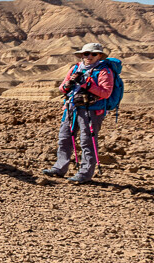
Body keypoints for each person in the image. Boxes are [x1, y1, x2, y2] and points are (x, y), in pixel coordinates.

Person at [42, 42, 117, 184]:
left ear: (99, 56)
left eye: (93, 54)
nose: (89, 56)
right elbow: (62, 88)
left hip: (92, 111)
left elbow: (106, 93)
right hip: (71, 108)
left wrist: (86, 84)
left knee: (87, 141)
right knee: (64, 138)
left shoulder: (104, 71)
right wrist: (68, 84)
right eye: (86, 53)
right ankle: (59, 168)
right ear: (82, 55)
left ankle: (85, 173)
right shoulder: (75, 68)